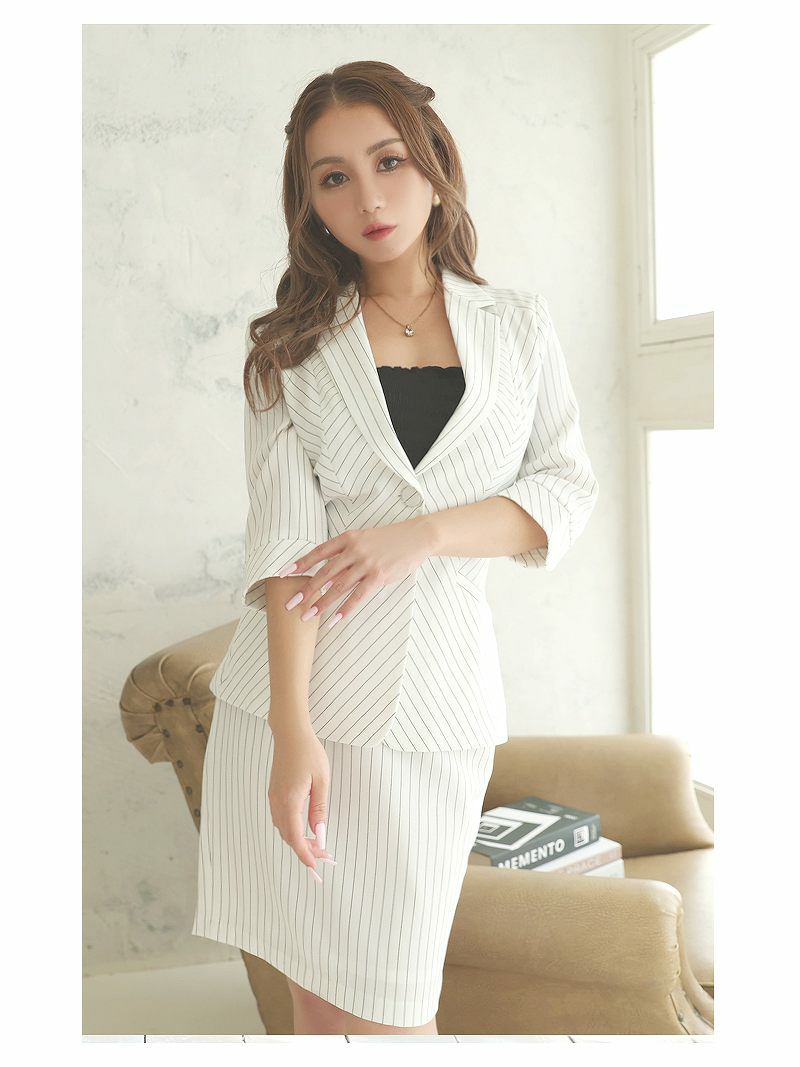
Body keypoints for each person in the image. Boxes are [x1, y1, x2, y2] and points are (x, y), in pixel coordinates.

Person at [191, 60, 599, 1036]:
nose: (368, 198)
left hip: (438, 712)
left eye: (388, 161)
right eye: (332, 177)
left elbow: (562, 489)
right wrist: (292, 733)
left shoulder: (518, 326)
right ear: (309, 203)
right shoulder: (288, 347)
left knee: (395, 1009)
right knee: (317, 1004)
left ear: (433, 164)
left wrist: (422, 534)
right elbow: (286, 550)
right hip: (297, 709)